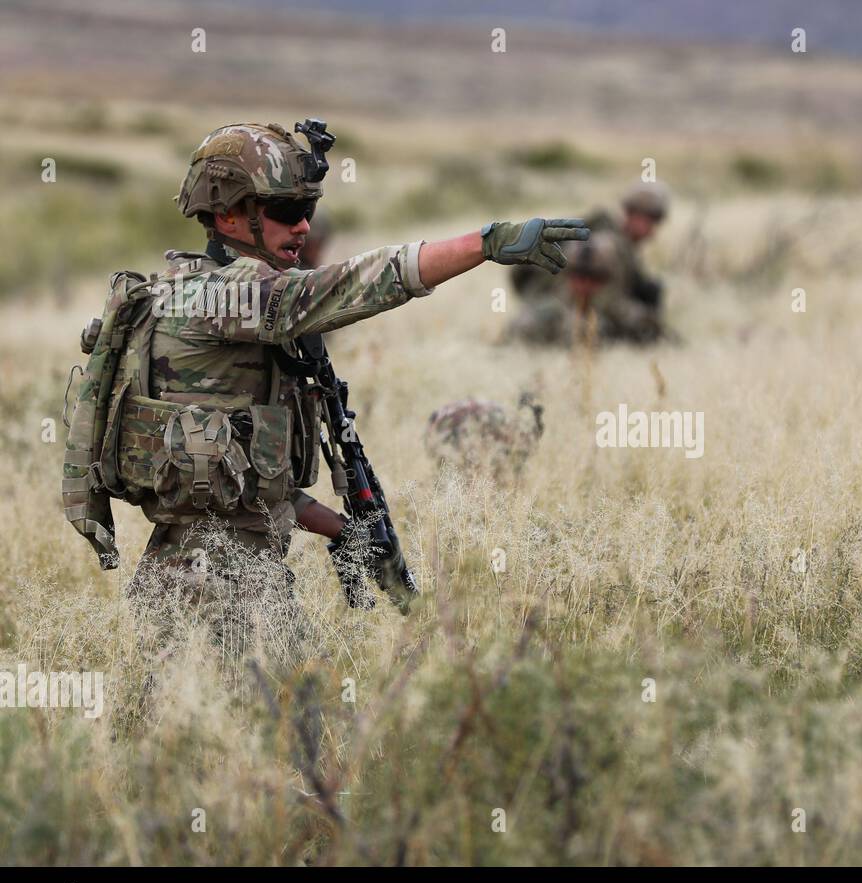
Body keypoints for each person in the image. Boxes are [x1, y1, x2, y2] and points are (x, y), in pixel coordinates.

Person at [62, 120, 588, 626]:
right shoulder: (223, 296)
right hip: (212, 590)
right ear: (226, 216)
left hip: (213, 578)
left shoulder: (206, 303)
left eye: (308, 209)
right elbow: (349, 287)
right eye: (287, 209)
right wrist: (485, 244)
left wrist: (346, 533)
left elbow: (250, 486)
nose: (304, 226)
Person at [508, 182, 670, 345]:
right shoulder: (608, 243)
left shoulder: (618, 243)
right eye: (652, 219)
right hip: (568, 312)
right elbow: (602, 299)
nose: (652, 230)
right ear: (633, 214)